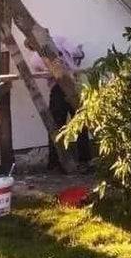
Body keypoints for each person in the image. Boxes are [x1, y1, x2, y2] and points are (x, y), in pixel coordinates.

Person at [25, 35, 92, 171]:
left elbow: (45, 73)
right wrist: (74, 58)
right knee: (79, 123)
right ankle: (84, 161)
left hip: (59, 89)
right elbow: (77, 53)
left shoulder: (35, 59)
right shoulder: (58, 40)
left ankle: (56, 163)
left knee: (57, 125)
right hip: (71, 85)